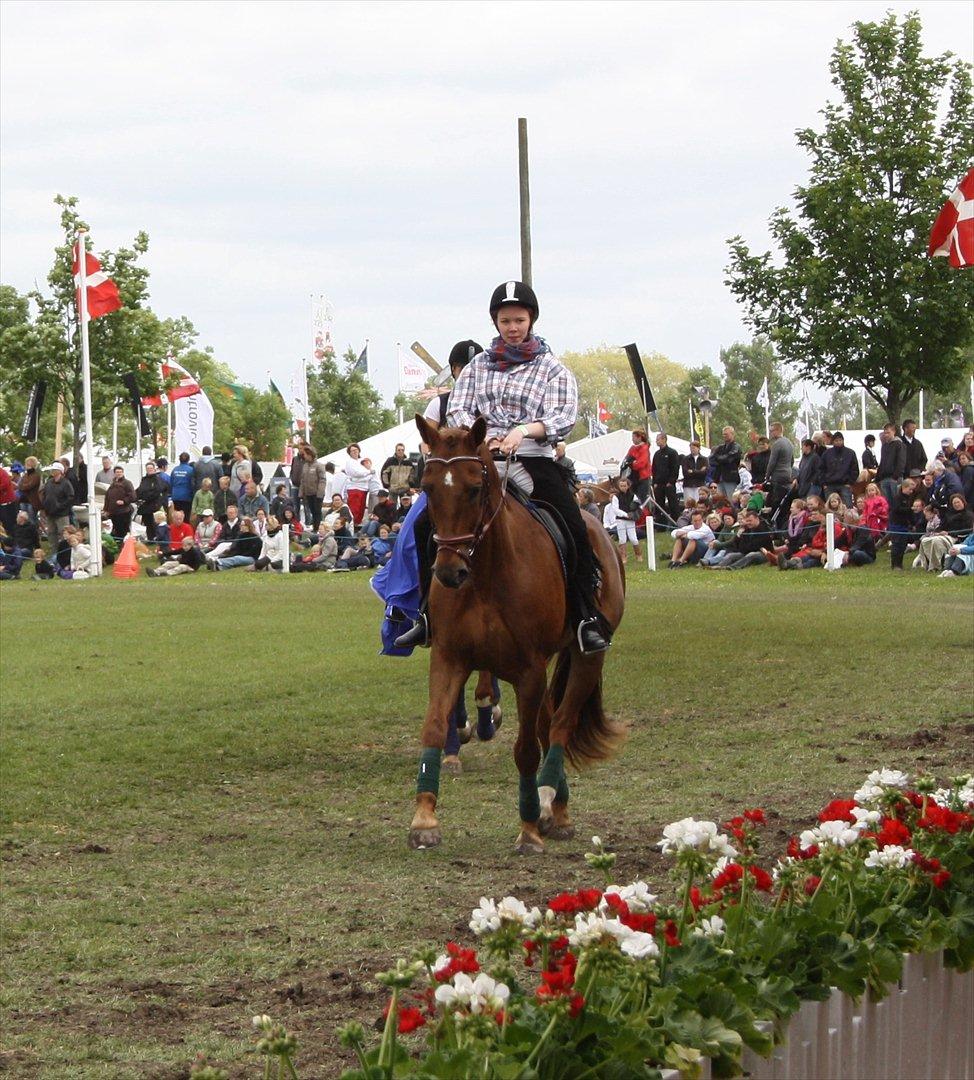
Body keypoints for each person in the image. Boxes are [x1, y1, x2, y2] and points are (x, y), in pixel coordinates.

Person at [399, 279, 609, 654]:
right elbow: (459, 408)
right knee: (423, 525)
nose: (512, 327)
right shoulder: (478, 366)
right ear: (495, 322)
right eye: (505, 320)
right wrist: (482, 438)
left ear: (531, 320)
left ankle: (583, 616)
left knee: (575, 527)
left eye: (519, 320)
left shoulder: (553, 369)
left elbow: (562, 417)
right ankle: (427, 615)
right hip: (480, 458)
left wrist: (522, 431)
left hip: (533, 459)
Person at [603, 476, 641, 564]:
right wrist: (625, 514)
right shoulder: (616, 497)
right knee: (622, 539)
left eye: (624, 485)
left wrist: (632, 513)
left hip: (630, 520)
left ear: (628, 486)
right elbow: (615, 509)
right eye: (621, 486)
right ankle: (623, 557)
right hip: (620, 520)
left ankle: (638, 554)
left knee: (633, 538)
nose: (623, 487)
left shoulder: (633, 496)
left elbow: (637, 506)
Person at [40, 462, 75, 545]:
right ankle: (54, 553)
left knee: (64, 533)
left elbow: (70, 497)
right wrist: (45, 506)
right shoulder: (49, 482)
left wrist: (60, 506)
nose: (52, 471)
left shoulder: (66, 483)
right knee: (51, 533)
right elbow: (44, 494)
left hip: (61, 514)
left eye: (55, 469)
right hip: (50, 513)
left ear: (60, 471)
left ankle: (65, 552)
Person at [820, 431, 858, 506]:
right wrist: (824, 483)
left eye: (840, 440)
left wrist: (850, 482)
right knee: (830, 509)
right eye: (836, 441)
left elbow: (855, 469)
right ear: (833, 441)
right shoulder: (826, 454)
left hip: (845, 485)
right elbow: (821, 469)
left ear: (843, 441)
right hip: (829, 485)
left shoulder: (850, 453)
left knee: (847, 507)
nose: (838, 442)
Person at [341, 444, 373, 525]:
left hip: (363, 489)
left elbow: (363, 476)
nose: (355, 452)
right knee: (354, 510)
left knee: (361, 510)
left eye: (356, 449)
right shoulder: (349, 462)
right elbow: (357, 473)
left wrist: (363, 476)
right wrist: (368, 472)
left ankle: (357, 526)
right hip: (354, 489)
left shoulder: (360, 462)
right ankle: (352, 526)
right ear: (349, 453)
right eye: (352, 450)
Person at [135, 462, 169, 540]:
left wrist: (146, 497)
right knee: (147, 524)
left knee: (155, 523)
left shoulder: (158, 480)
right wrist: (135, 498)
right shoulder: (144, 479)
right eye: (148, 468)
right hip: (145, 506)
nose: (149, 470)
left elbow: (158, 491)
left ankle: (157, 538)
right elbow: (139, 490)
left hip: (155, 506)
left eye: (151, 468)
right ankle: (150, 539)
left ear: (154, 469)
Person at [875, 424, 907, 505]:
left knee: (896, 502)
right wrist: (878, 478)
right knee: (886, 503)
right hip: (884, 478)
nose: (886, 435)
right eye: (885, 433)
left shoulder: (899, 444)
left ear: (893, 432)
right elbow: (882, 462)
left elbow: (901, 461)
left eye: (888, 433)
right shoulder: (884, 446)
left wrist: (896, 476)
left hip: (894, 478)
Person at [765, 422, 794, 510]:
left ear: (778, 430)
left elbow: (772, 462)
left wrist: (767, 476)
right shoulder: (789, 443)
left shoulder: (777, 444)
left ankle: (774, 519)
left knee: (776, 501)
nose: (771, 433)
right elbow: (792, 461)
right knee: (784, 500)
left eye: (772, 431)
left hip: (778, 476)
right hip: (787, 474)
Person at [651, 433, 681, 521]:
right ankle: (661, 523)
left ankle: (676, 521)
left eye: (658, 439)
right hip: (659, 484)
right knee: (659, 504)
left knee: (673, 503)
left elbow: (675, 468)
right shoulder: (656, 454)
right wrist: (654, 483)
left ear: (664, 439)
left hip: (669, 484)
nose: (657, 442)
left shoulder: (672, 452)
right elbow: (654, 469)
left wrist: (671, 481)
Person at [298, 445, 328, 530]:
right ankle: (315, 527)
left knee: (317, 512)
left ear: (310, 454)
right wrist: (301, 493)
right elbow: (302, 480)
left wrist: (320, 493)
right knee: (312, 511)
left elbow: (322, 480)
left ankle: (318, 528)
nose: (304, 456)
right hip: (308, 493)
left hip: (317, 494)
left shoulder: (319, 466)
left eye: (305, 454)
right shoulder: (305, 466)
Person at [102, 465, 136, 538]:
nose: (119, 473)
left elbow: (133, 496)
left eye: (120, 472)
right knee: (116, 530)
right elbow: (108, 497)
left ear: (123, 473)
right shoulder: (112, 484)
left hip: (123, 512)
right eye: (117, 472)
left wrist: (124, 501)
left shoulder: (127, 483)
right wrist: (106, 509)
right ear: (114, 473)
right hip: (113, 512)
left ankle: (125, 545)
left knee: (124, 531)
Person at [710, 427, 743, 500]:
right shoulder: (720, 447)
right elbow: (711, 459)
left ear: (732, 434)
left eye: (726, 434)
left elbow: (729, 459)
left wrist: (719, 458)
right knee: (720, 501)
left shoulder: (736, 447)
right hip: (719, 477)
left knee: (731, 500)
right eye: (723, 435)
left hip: (730, 477)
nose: (724, 436)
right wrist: (722, 459)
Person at [622, 430, 651, 502]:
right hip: (632, 478)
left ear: (639, 438)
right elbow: (626, 460)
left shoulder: (644, 448)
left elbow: (641, 464)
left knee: (643, 499)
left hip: (643, 478)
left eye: (633, 437)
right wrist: (632, 463)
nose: (632, 439)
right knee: (631, 499)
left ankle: (644, 512)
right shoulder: (633, 448)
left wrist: (631, 464)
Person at [168, 453, 196, 518]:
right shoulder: (191, 470)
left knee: (178, 516)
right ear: (188, 459)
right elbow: (193, 484)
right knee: (185, 516)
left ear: (179, 459)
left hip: (176, 496)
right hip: (187, 497)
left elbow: (171, 483)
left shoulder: (174, 470)